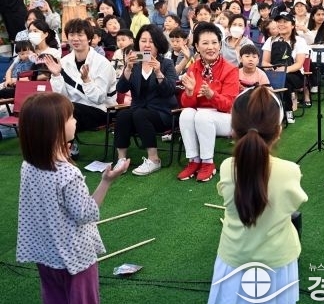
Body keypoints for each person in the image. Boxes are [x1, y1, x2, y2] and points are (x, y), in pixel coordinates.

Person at [16, 92, 129, 304]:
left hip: (45, 253)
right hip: (75, 257)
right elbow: (86, 213)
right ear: (54, 129)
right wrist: (106, 181)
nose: (75, 120)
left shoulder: (28, 165)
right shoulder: (67, 173)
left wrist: (62, 153)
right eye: (70, 117)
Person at [207, 85, 307, 304]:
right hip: (277, 257)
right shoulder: (290, 171)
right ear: (278, 131)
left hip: (235, 256)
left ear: (233, 130)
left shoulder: (227, 167)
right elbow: (294, 205)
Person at [44, 19, 117, 157]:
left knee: (66, 109)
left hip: (101, 111)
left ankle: (64, 149)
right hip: (72, 110)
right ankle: (59, 148)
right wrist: (57, 75)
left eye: (80, 35)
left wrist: (87, 81)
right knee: (52, 107)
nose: (75, 39)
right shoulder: (64, 62)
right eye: (72, 35)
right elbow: (61, 97)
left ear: (89, 38)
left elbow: (99, 98)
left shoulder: (102, 63)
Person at [177, 22, 239, 182]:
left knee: (202, 116)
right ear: (197, 47)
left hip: (226, 118)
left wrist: (212, 95)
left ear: (220, 45)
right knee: (186, 113)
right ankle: (194, 160)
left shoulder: (230, 69)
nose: (210, 47)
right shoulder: (194, 68)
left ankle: (207, 162)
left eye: (214, 42)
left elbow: (229, 105)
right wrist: (189, 93)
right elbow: (186, 104)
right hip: (200, 116)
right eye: (205, 43)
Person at [113, 24, 178, 176]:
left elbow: (170, 91)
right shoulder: (135, 63)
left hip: (161, 113)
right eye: (143, 41)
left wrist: (158, 72)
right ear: (138, 43)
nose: (147, 45)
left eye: (151, 41)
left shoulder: (166, 63)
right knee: (123, 115)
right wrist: (128, 69)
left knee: (140, 114)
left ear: (158, 44)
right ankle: (121, 160)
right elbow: (121, 88)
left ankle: (154, 159)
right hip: (138, 110)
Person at [261, 12, 311, 124]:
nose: (281, 24)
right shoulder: (271, 40)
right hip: (274, 72)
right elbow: (264, 61)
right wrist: (273, 68)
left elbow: (299, 64)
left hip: (294, 74)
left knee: (285, 79)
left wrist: (284, 70)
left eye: (285, 22)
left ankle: (288, 110)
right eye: (279, 22)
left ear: (292, 25)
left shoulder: (299, 41)